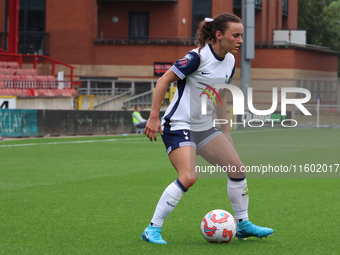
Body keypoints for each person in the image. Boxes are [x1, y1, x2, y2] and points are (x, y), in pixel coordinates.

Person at [141, 13, 273, 244]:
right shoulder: (197, 57)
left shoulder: (230, 61)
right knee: (189, 177)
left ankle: (242, 224)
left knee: (237, 169)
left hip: (204, 127)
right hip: (178, 124)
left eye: (242, 35)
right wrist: (154, 117)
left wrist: (226, 131)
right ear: (219, 35)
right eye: (236, 35)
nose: (240, 40)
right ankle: (152, 229)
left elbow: (220, 95)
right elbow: (163, 81)